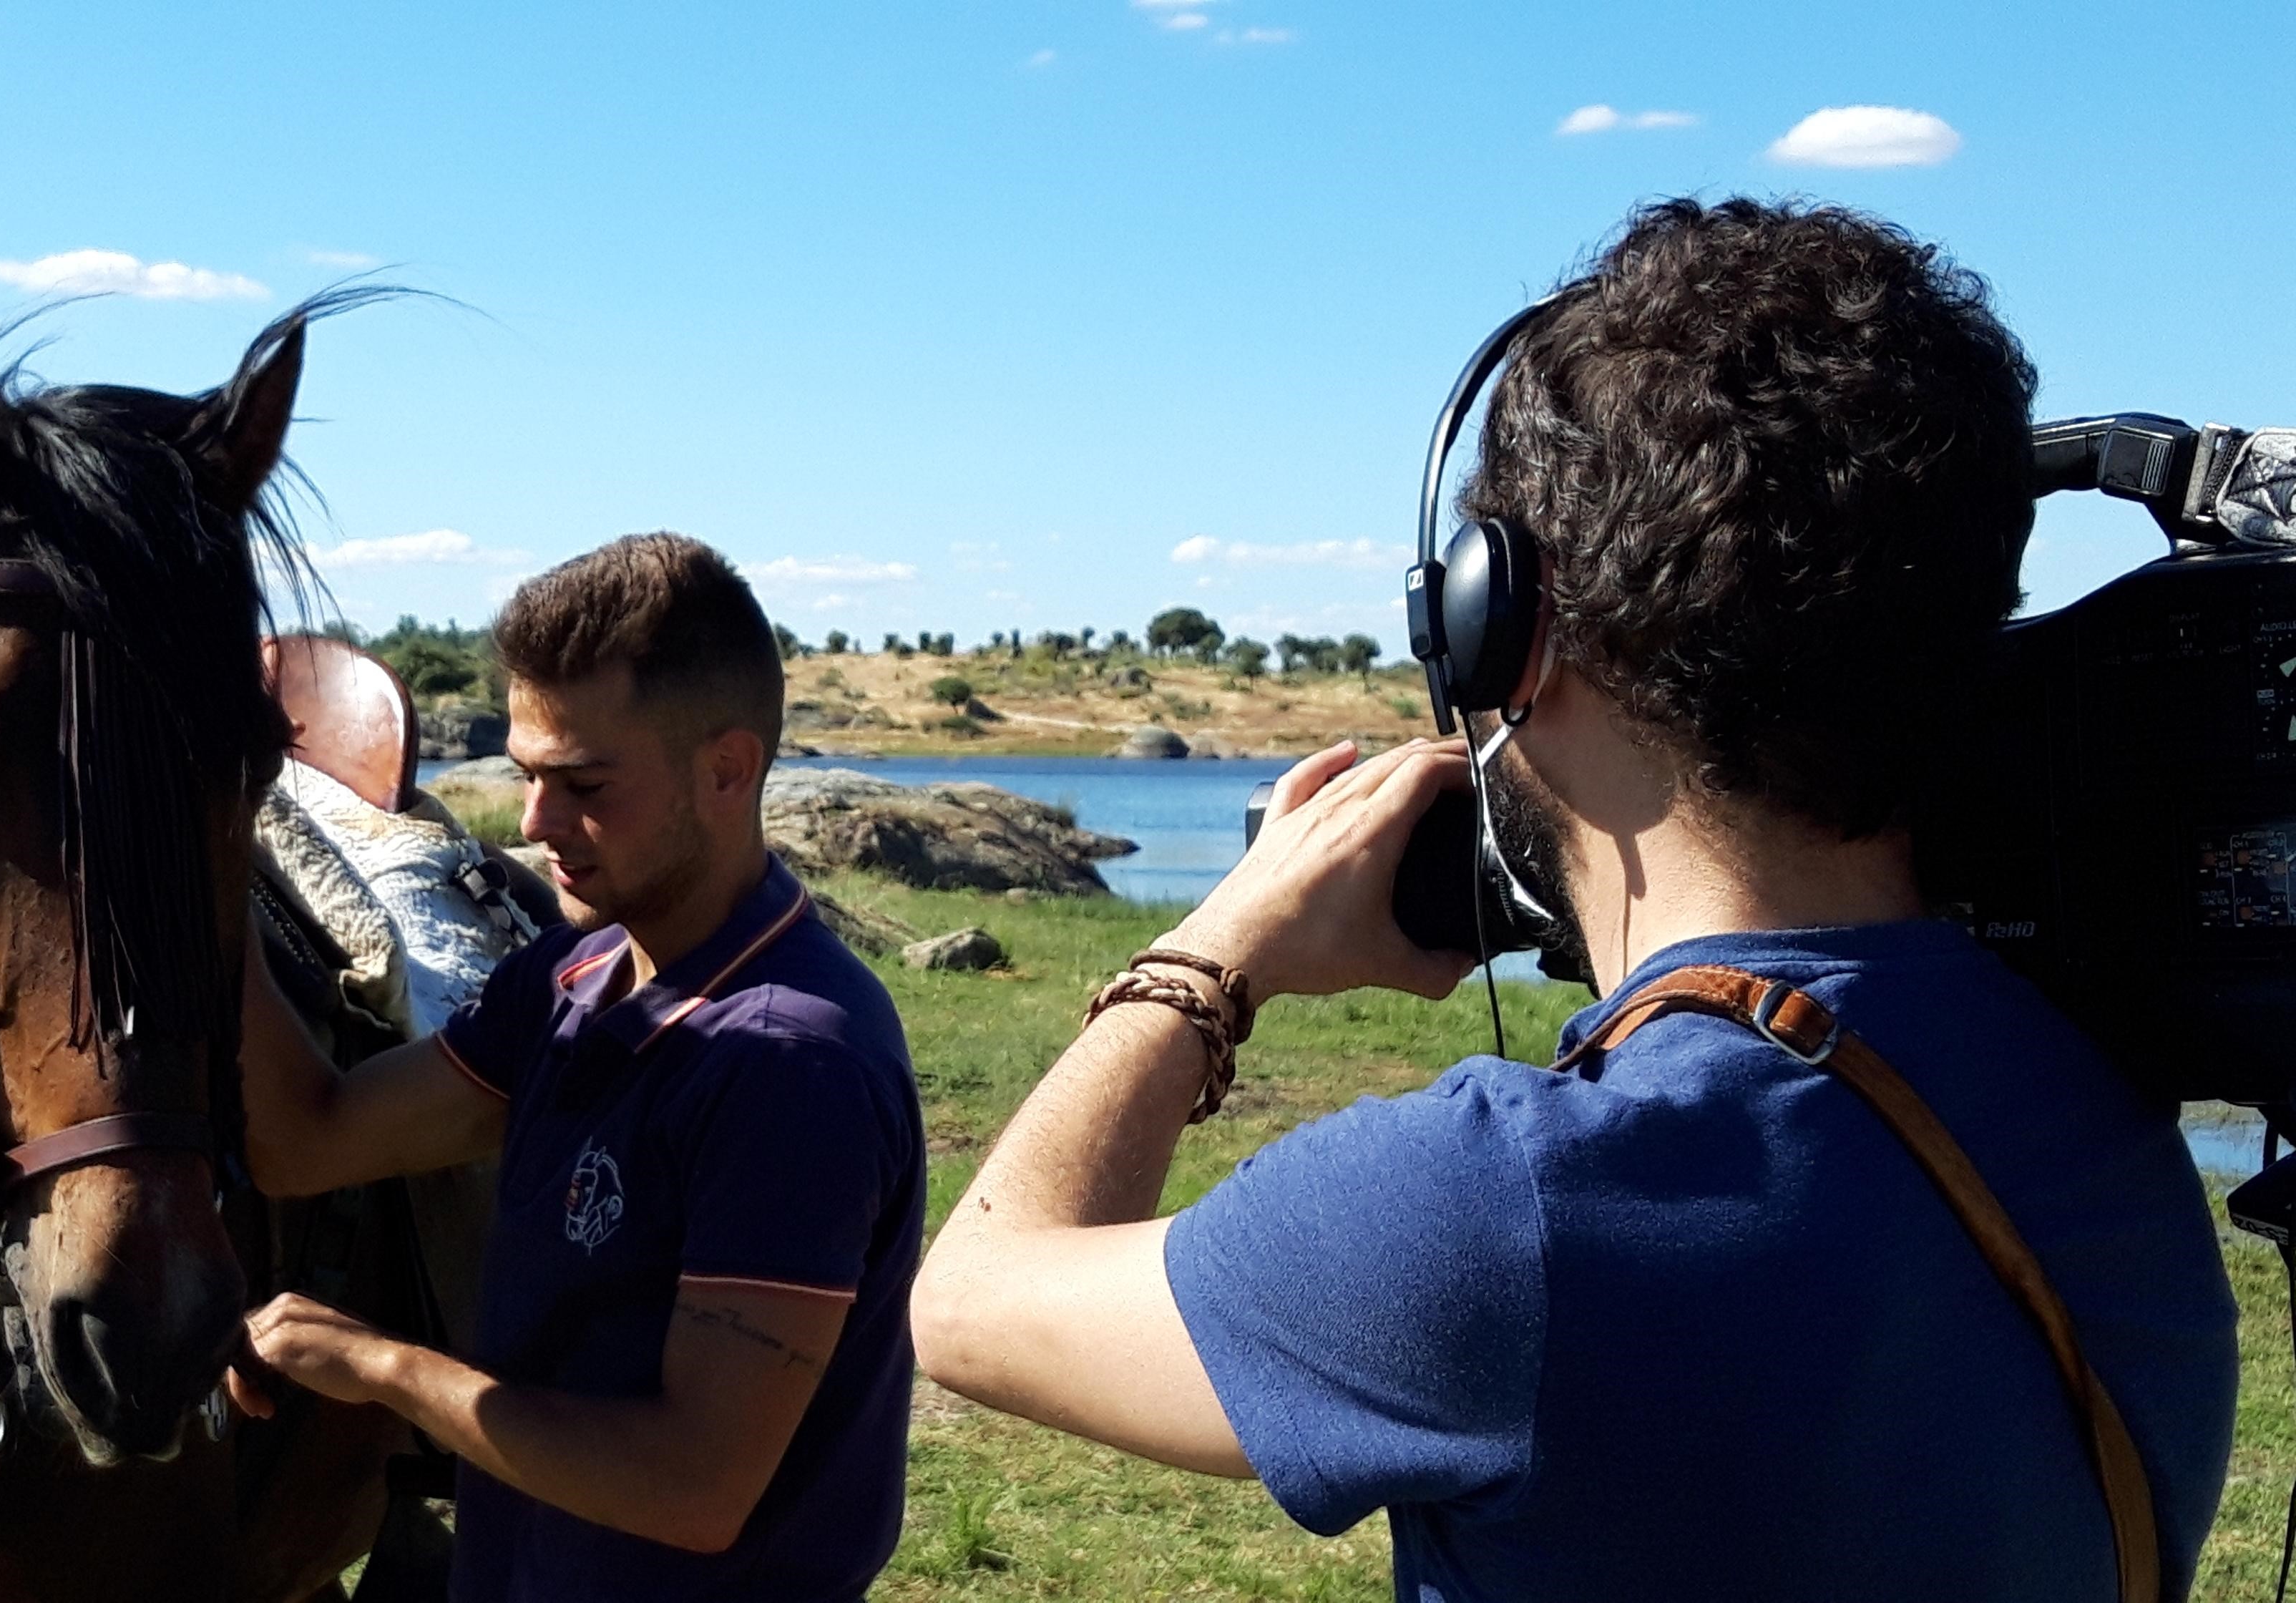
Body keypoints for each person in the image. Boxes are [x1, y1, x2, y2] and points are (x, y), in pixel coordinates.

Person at [909, 198, 2239, 1600]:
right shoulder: (2110, 1113)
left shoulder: (1505, 1204)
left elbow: (976, 1300)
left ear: (1511, 627)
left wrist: (1221, 943)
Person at [232, 532, 924, 1601]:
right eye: (525, 775)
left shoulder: (791, 1067)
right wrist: (199, 864)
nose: (534, 822)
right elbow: (310, 1139)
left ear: (728, 769)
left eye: (583, 783)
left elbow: (693, 1488)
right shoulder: (571, 974)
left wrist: (382, 1368)